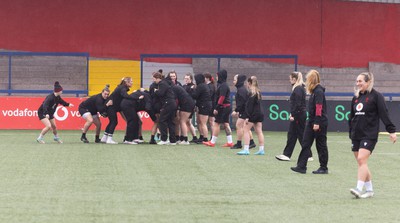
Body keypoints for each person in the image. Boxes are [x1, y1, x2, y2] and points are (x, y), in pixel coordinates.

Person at [349, 72, 397, 199]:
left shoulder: (376, 96)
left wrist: (391, 131)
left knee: (361, 160)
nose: (358, 84)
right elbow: (351, 117)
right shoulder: (356, 97)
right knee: (361, 163)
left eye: (360, 81)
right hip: (356, 135)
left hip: (369, 134)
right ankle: (370, 190)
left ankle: (359, 189)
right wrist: (351, 132)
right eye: (357, 81)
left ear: (368, 82)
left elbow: (384, 114)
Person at [291, 69, 329, 174]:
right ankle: (301, 166)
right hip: (311, 121)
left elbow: (319, 107)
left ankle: (324, 167)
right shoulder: (314, 92)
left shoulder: (318, 91)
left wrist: (317, 122)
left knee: (321, 144)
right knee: (306, 142)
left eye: (308, 79)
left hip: (319, 122)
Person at [276, 72, 310, 161]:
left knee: (294, 134)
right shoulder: (300, 88)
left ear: (294, 79)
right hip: (300, 114)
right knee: (296, 134)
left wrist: (293, 115)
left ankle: (287, 154)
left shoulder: (298, 89)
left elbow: (298, 104)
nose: (289, 80)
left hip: (298, 115)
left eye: (290, 78)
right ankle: (307, 154)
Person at [100, 77, 136, 144]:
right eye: (131, 81)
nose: (132, 82)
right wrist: (136, 97)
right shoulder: (123, 88)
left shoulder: (121, 87)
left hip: (113, 106)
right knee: (114, 122)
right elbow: (125, 95)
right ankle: (109, 139)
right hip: (111, 106)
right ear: (126, 82)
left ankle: (104, 138)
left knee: (111, 122)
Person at [204, 69, 234, 147]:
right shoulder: (223, 85)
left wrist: (217, 108)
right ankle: (230, 142)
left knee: (216, 123)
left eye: (217, 76)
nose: (216, 77)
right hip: (226, 107)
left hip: (223, 107)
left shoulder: (223, 86)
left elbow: (222, 97)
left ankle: (212, 142)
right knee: (226, 124)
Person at [237, 76, 265, 155]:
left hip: (253, 114)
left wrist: (247, 117)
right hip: (260, 113)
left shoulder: (251, 93)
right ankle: (261, 149)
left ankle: (246, 149)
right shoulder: (258, 92)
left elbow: (249, 106)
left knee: (245, 130)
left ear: (249, 83)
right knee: (259, 131)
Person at [231, 74, 256, 149]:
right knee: (245, 127)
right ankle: (251, 142)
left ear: (239, 81)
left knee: (239, 125)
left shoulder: (241, 90)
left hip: (244, 111)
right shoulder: (241, 89)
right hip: (244, 111)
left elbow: (242, 102)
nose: (233, 82)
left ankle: (239, 143)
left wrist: (236, 110)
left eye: (235, 80)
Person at [153, 72, 177, 145]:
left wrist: (156, 91)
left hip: (168, 103)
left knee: (162, 120)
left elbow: (161, 93)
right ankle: (172, 141)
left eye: (154, 78)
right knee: (171, 121)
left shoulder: (162, 84)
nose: (153, 80)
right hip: (172, 103)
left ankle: (164, 139)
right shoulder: (165, 83)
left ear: (157, 78)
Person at [191, 73, 212, 143]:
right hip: (204, 105)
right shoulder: (204, 85)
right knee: (199, 122)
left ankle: (205, 138)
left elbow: (195, 95)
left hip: (204, 105)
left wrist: (192, 89)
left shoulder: (200, 86)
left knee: (203, 123)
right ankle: (202, 136)